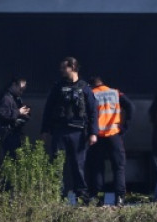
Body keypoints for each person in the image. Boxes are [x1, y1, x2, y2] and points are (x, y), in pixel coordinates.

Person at [41, 57, 99, 204]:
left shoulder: (85, 88)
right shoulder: (58, 87)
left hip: (79, 132)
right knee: (57, 164)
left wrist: (93, 133)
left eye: (64, 68)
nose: (61, 70)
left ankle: (82, 196)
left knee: (78, 165)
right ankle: (56, 196)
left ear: (72, 67)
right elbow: (48, 110)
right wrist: (45, 130)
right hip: (60, 130)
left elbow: (93, 112)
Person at [85, 76, 134, 207]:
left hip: (97, 136)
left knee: (97, 168)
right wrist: (124, 127)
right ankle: (119, 198)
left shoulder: (92, 94)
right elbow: (130, 107)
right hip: (114, 135)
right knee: (118, 167)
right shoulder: (115, 93)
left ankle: (95, 197)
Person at [0, 77, 31, 159]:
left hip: (16, 135)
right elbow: (2, 114)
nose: (21, 92)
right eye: (20, 89)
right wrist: (18, 112)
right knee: (12, 160)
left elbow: (21, 113)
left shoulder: (16, 98)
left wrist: (25, 113)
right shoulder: (5, 98)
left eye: (23, 90)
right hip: (9, 135)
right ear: (14, 85)